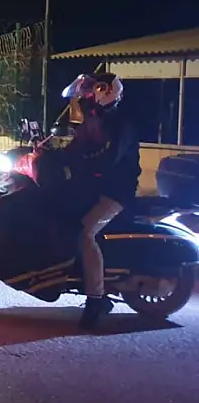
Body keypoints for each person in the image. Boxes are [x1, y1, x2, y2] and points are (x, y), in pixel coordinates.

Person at [60, 72, 140, 330]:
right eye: (85, 93)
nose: (86, 97)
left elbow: (106, 159)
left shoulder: (120, 123)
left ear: (107, 92)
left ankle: (95, 299)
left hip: (116, 192)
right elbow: (78, 146)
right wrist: (50, 153)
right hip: (94, 187)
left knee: (85, 233)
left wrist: (79, 166)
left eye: (91, 92)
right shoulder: (95, 117)